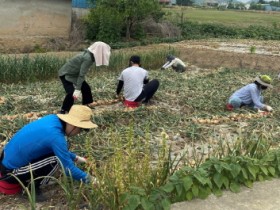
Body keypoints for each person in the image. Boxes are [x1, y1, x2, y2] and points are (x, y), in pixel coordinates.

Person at [0, 105, 97, 201]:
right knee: (56, 160)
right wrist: (94, 181)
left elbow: (56, 148)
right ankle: (30, 188)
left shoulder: (52, 119)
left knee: (57, 154)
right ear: (75, 126)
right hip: (10, 173)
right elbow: (68, 169)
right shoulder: (56, 137)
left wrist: (77, 158)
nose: (79, 133)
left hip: (5, 159)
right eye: (81, 129)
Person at [58, 41, 111, 114]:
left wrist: (79, 87)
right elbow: (81, 75)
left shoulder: (90, 56)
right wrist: (77, 89)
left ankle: (86, 105)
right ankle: (64, 110)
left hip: (74, 74)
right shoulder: (88, 58)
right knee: (71, 92)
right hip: (66, 74)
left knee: (86, 88)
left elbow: (80, 74)